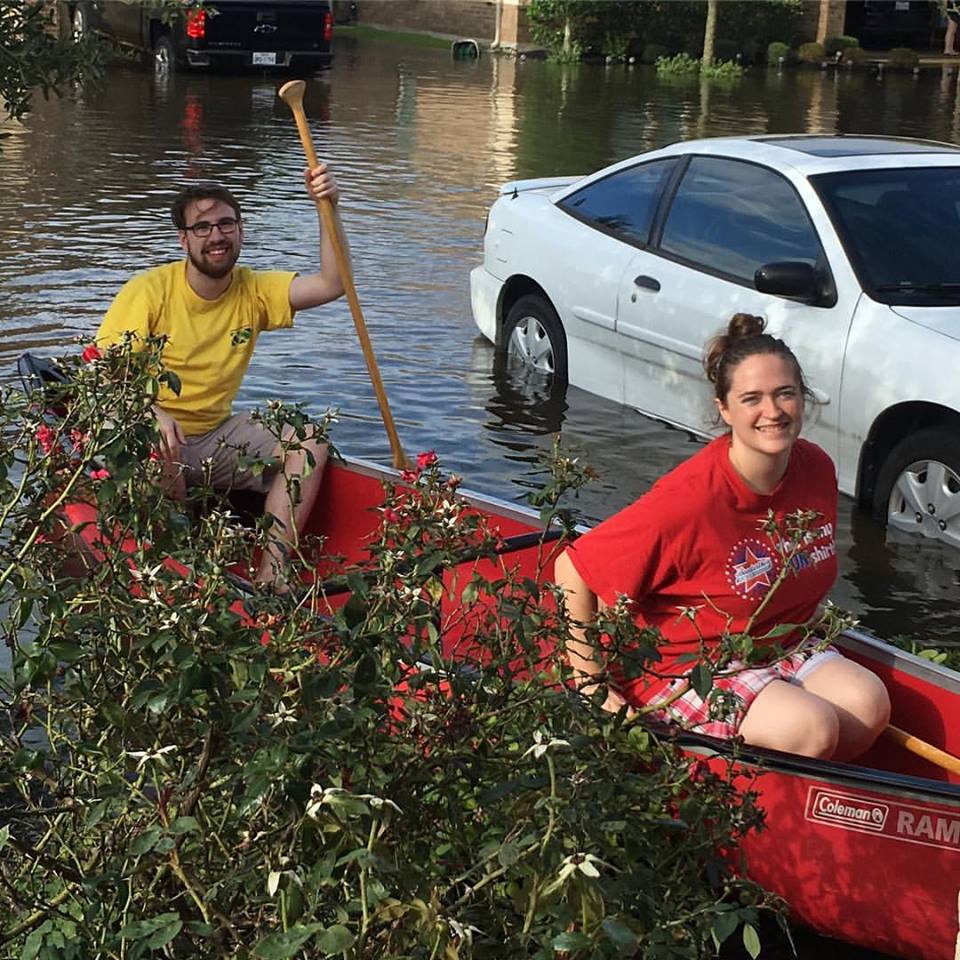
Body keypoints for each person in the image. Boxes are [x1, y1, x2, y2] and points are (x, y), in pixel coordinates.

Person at [553, 314, 890, 761]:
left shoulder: (816, 468)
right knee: (810, 728)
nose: (772, 411)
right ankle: (744, 807)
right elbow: (573, 568)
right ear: (725, 409)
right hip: (687, 665)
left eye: (785, 393)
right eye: (752, 399)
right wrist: (590, 681)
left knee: (869, 704)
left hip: (778, 643)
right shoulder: (689, 500)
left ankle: (809, 805)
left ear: (803, 399)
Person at [96, 165, 346, 585]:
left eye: (226, 224)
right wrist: (150, 412)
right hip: (147, 436)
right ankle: (171, 567)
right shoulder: (148, 291)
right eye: (203, 227)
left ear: (241, 231)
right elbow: (103, 376)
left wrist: (328, 207)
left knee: (310, 441)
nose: (216, 236)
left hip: (211, 438)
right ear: (184, 239)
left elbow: (332, 283)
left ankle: (273, 577)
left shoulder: (253, 290)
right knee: (162, 445)